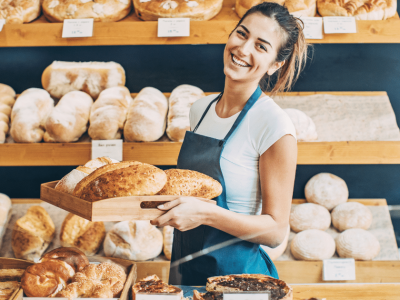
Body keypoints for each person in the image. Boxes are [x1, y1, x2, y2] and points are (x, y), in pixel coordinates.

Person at [151, 2, 308, 285]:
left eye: (261, 46)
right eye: (241, 34)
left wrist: (206, 213)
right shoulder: (199, 109)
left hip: (240, 281)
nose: (243, 49)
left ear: (275, 64)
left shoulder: (274, 125)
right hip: (186, 271)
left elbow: (275, 231)